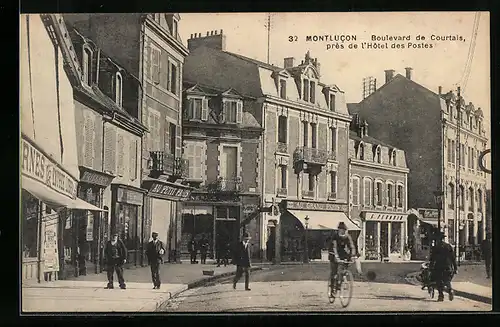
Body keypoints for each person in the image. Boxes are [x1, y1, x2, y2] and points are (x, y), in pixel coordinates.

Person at [429, 231, 458, 302]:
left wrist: (431, 267)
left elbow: (432, 259)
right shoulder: (448, 246)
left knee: (439, 281)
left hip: (439, 267)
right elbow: (453, 258)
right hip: (448, 266)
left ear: (438, 239)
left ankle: (441, 296)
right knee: (447, 280)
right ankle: (450, 290)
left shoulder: (436, 247)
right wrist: (455, 268)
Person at [329, 222, 356, 291]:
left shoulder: (347, 237)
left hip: (342, 254)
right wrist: (336, 256)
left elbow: (351, 246)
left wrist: (352, 255)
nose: (343, 231)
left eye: (344, 230)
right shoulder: (335, 236)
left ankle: (340, 281)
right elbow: (334, 247)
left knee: (344, 269)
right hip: (333, 254)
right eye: (341, 230)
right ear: (339, 230)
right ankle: (332, 288)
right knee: (334, 271)